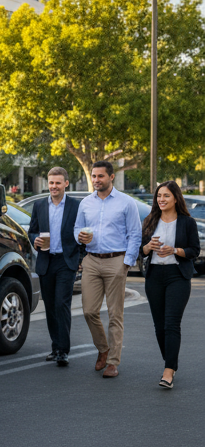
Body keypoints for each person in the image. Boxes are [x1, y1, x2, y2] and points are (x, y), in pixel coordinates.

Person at [73, 160, 142, 378]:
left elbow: (135, 233)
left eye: (100, 176)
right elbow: (77, 228)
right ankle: (103, 348)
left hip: (116, 260)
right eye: (93, 176)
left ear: (111, 177)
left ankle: (112, 362)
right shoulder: (85, 203)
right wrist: (79, 237)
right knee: (89, 311)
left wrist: (127, 262)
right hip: (91, 260)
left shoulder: (126, 203)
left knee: (115, 314)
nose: (96, 180)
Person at [141, 180, 200, 388]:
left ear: (176, 198)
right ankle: (172, 362)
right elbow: (141, 250)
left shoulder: (187, 222)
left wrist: (174, 250)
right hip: (155, 275)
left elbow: (194, 251)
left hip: (177, 275)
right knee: (159, 327)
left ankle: (168, 372)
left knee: (171, 323)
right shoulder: (150, 220)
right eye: (159, 196)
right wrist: (148, 247)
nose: (161, 199)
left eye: (166, 196)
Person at [28, 167, 81, 365]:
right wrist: (35, 240)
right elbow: (32, 231)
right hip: (46, 261)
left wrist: (80, 258)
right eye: (51, 183)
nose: (54, 186)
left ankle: (63, 351)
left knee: (61, 304)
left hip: (66, 262)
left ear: (66, 183)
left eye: (58, 183)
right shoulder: (39, 205)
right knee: (50, 306)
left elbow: (83, 232)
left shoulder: (76, 206)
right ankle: (55, 346)